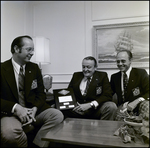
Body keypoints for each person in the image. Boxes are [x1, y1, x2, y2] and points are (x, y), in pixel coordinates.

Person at [1, 35, 64, 147]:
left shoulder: (34, 68)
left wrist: (35, 108)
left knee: (57, 115)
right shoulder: (2, 69)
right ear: (16, 49)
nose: (32, 53)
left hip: (32, 111)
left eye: (33, 49)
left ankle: (38, 145)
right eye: (29, 49)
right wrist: (16, 108)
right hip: (11, 113)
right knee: (9, 134)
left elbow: (41, 94)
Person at [110, 49, 149, 117]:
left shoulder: (140, 73)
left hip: (139, 105)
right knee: (118, 124)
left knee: (147, 106)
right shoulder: (114, 77)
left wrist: (136, 101)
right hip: (123, 108)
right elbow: (108, 93)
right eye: (118, 61)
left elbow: (149, 92)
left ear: (130, 60)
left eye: (123, 61)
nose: (120, 64)